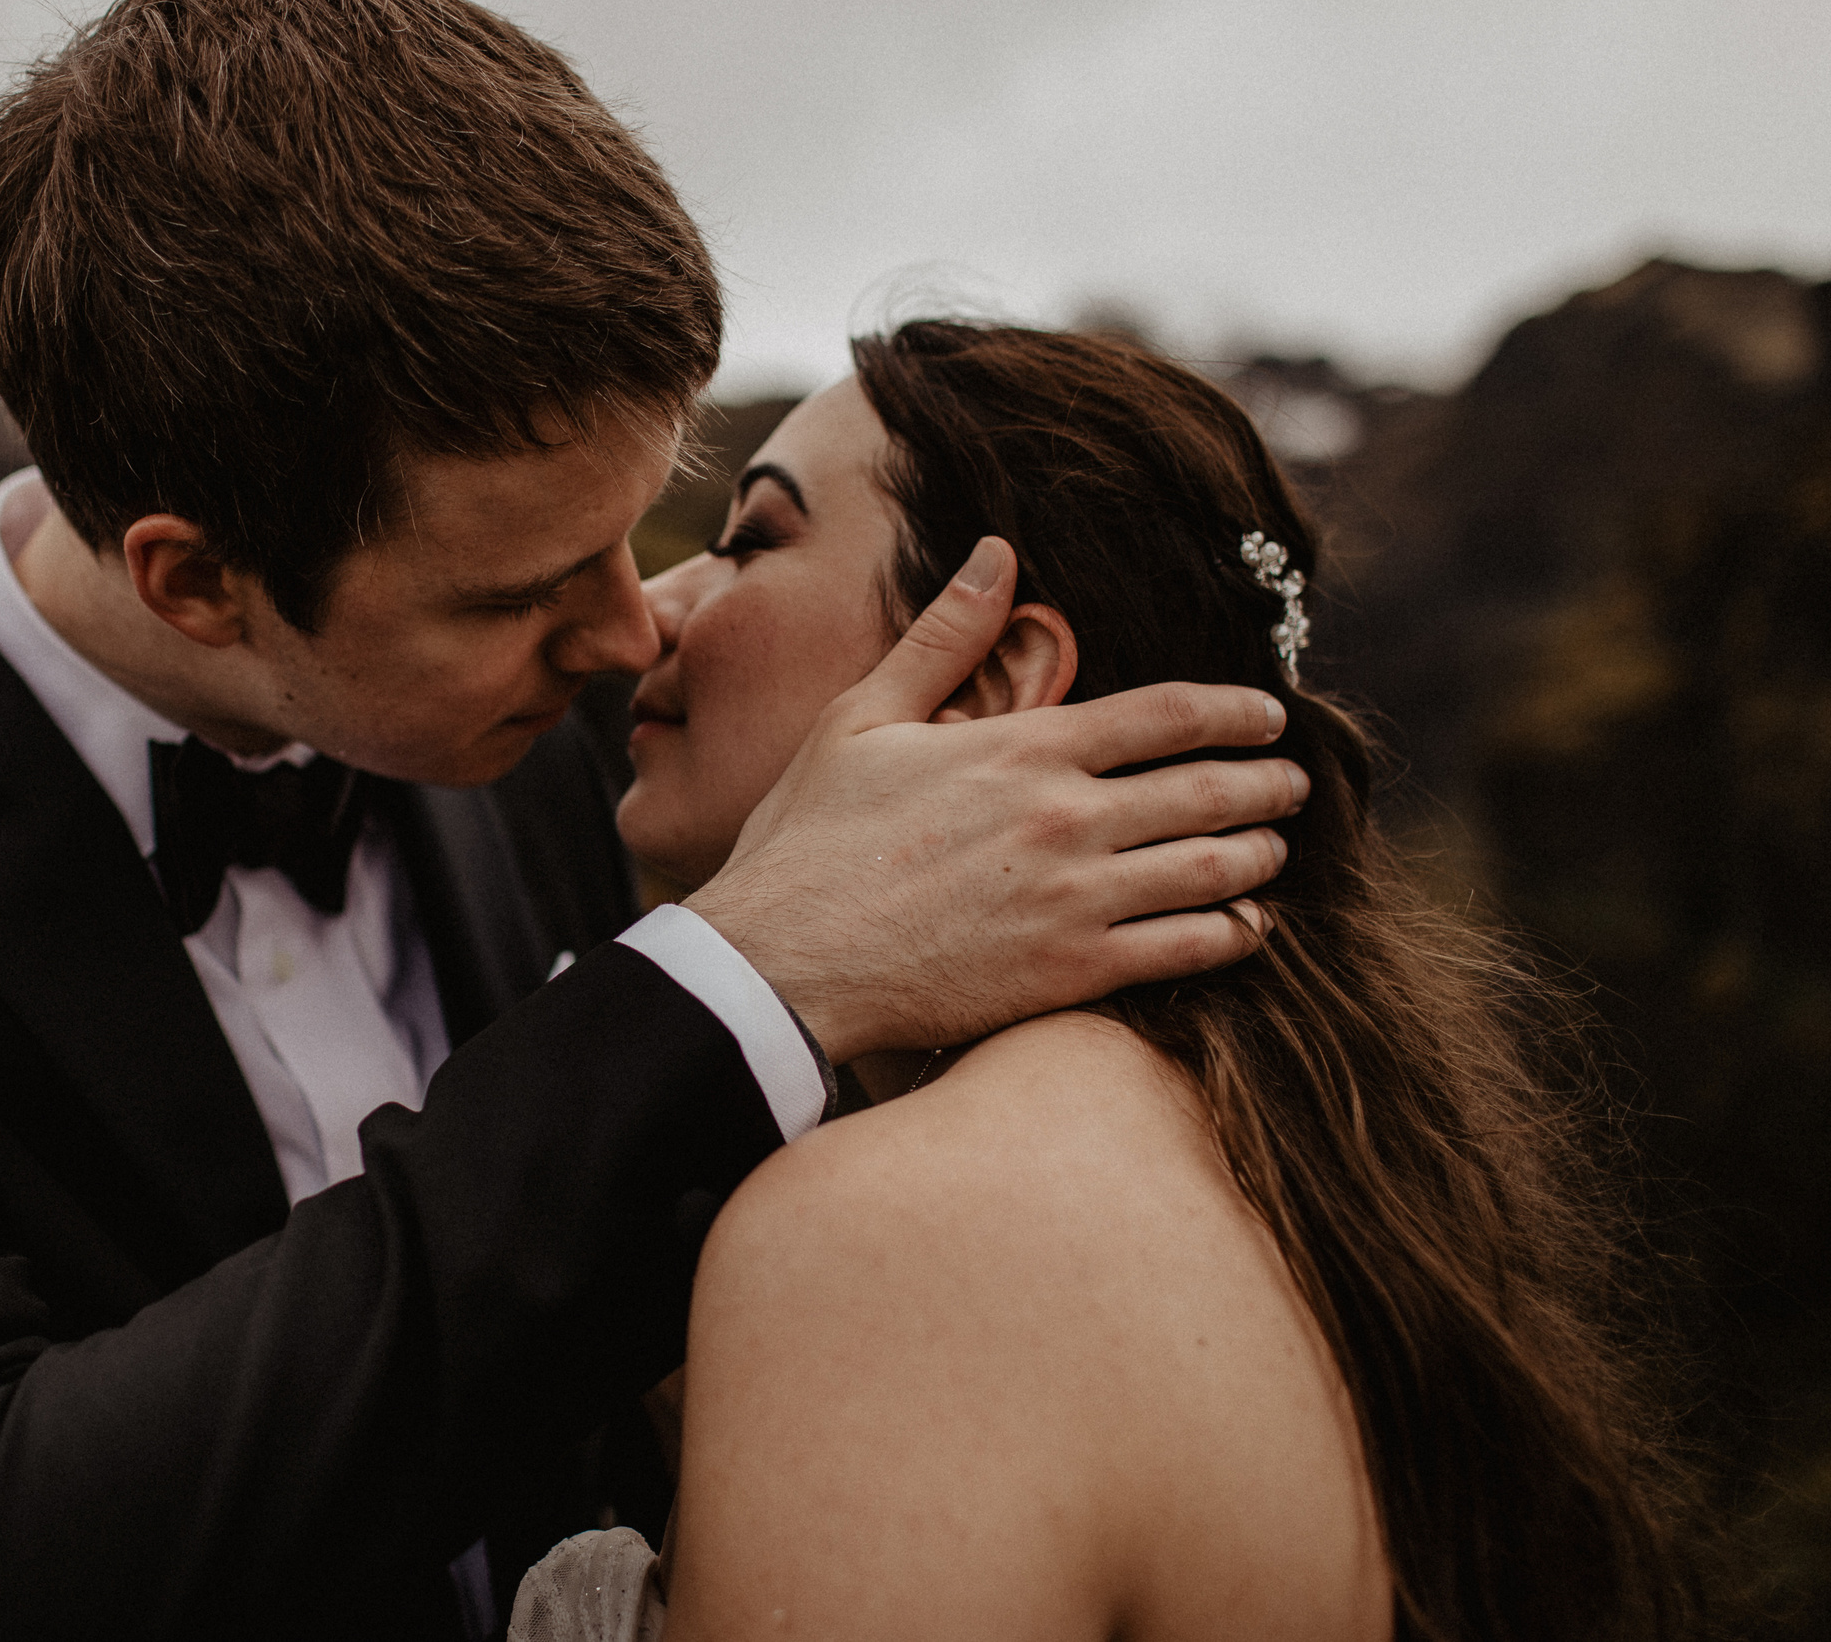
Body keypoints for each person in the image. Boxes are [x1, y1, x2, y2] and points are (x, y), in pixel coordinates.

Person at [0, 0, 1305, 1641]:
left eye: (646, 528)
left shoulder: (613, 758)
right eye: (520, 595)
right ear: (196, 579)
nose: (628, 637)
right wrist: (726, 996)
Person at [514, 323, 1704, 1642]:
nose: (650, 615)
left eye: (755, 539)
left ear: (994, 676)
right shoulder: (1317, 1164)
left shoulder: (902, 1239)